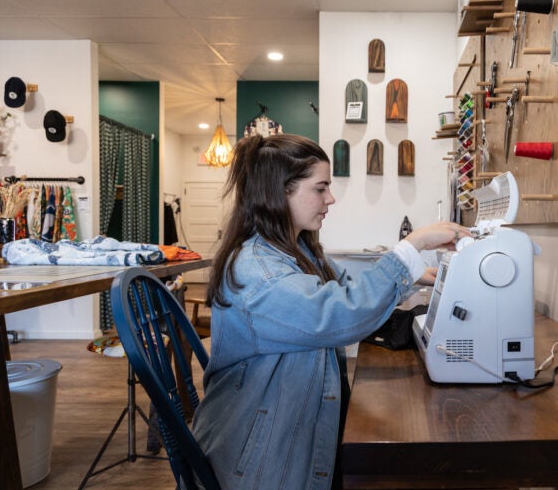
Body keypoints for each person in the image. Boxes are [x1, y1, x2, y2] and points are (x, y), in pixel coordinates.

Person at [191, 133, 472, 489]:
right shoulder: (258, 273)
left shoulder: (297, 251)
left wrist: (419, 274)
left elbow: (346, 286)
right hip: (259, 456)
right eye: (320, 188)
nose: (331, 198)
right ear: (279, 192)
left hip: (271, 424)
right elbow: (342, 313)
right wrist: (410, 247)